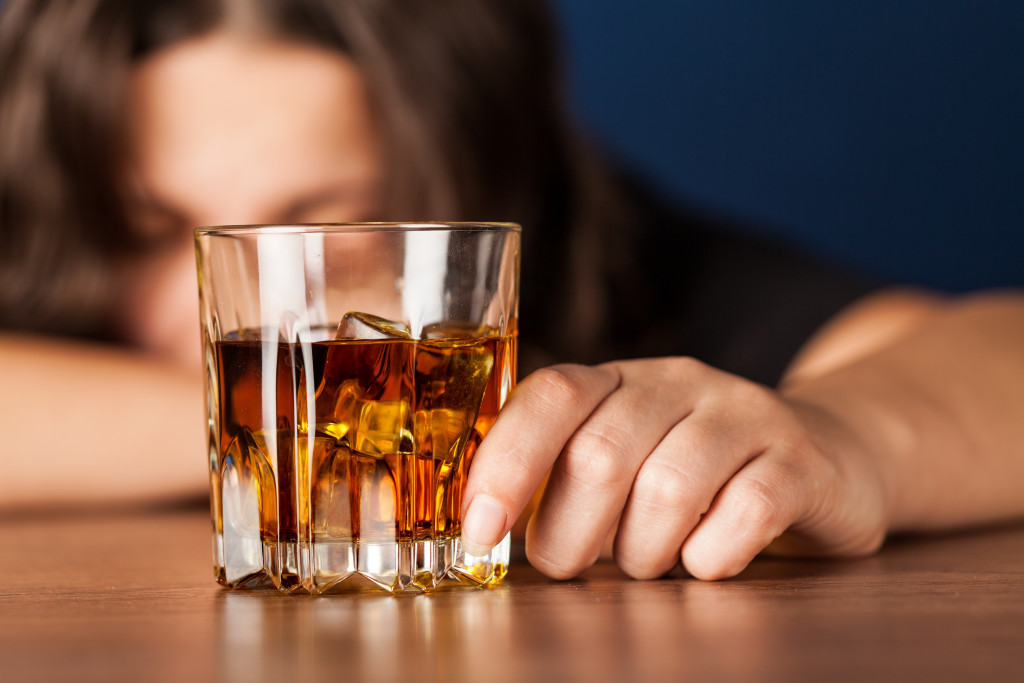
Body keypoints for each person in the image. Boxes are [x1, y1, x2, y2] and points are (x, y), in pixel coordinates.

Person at [1, 0, 1022, 582]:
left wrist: (845, 439)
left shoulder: (609, 249)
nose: (228, 301)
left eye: (325, 223)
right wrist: (365, 416)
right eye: (141, 231)